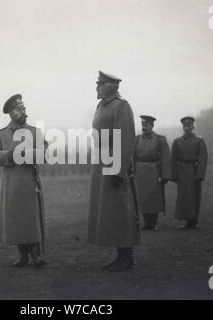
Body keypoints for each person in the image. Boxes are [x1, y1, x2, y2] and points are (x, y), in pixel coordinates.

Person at [88, 71, 139, 272]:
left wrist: (118, 170)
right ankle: (120, 256)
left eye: (99, 84)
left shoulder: (121, 106)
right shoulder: (101, 105)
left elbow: (125, 140)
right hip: (101, 161)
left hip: (113, 162)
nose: (96, 87)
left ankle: (127, 256)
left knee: (121, 210)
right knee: (110, 211)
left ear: (110, 86)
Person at [0, 94, 47, 268]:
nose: (23, 112)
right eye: (19, 109)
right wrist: (9, 155)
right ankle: (22, 254)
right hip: (11, 182)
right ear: (11, 113)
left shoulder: (34, 132)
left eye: (24, 108)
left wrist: (26, 154)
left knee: (31, 217)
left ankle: (36, 254)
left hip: (29, 180)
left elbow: (44, 152)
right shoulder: (1, 135)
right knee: (15, 218)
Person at [134, 115, 171, 231]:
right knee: (142, 198)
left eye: (147, 125)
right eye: (143, 125)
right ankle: (146, 223)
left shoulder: (160, 139)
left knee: (154, 198)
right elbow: (132, 157)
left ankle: (153, 223)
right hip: (140, 172)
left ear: (152, 126)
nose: (144, 127)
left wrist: (165, 175)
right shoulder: (136, 139)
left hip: (154, 171)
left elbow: (166, 158)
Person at [171, 116, 208, 229]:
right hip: (182, 170)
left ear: (193, 126)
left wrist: (200, 174)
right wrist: (174, 175)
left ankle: (194, 220)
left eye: (189, 125)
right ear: (183, 127)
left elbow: (203, 158)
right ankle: (187, 220)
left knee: (194, 196)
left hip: (193, 170)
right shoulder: (177, 141)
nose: (187, 128)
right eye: (185, 126)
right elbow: (173, 159)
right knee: (184, 197)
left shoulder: (199, 140)